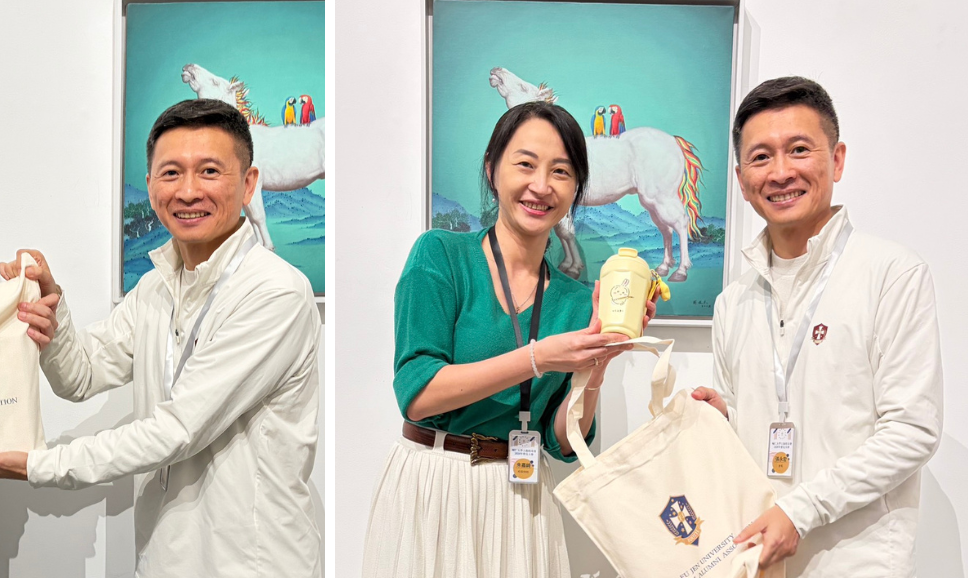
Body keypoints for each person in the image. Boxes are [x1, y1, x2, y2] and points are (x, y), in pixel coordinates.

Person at [0, 99, 321, 577]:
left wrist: (38, 465)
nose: (188, 191)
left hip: (251, 563)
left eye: (209, 171)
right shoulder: (155, 287)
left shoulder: (274, 292)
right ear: (150, 186)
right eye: (171, 173)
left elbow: (177, 430)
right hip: (163, 558)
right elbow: (81, 376)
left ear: (249, 183)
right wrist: (51, 309)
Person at [360, 101, 652, 578]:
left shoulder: (578, 301)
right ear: (492, 170)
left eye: (561, 171)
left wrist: (598, 364)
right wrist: (538, 358)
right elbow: (417, 393)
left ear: (576, 188)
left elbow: (562, 441)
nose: (542, 185)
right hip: (434, 484)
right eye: (525, 164)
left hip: (522, 498)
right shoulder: (440, 254)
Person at [689, 76, 942, 577]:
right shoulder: (733, 301)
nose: (781, 172)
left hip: (858, 562)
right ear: (741, 179)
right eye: (761, 157)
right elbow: (754, 422)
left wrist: (800, 511)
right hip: (758, 561)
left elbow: (912, 430)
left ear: (837, 160)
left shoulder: (891, 273)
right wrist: (726, 417)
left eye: (799, 150)